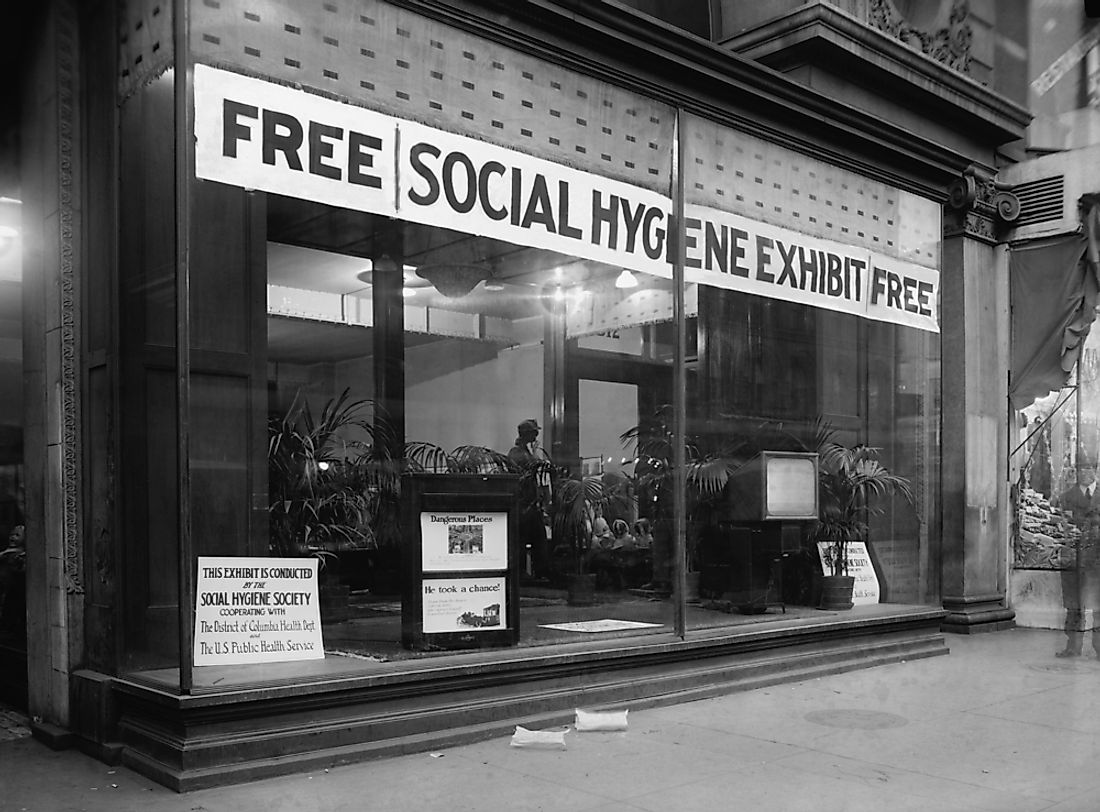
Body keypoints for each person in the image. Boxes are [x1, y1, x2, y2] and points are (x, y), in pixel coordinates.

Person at [1054, 469, 1100, 658]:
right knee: (1074, 605)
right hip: (1074, 559)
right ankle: (1073, 646)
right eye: (1081, 468)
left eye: (1089, 467)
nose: (1085, 472)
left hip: (1098, 560)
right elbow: (1059, 525)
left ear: (1096, 470)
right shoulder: (1066, 497)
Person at [507, 419, 554, 579]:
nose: (536, 435)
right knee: (523, 541)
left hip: (532, 505)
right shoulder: (517, 453)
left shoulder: (525, 451)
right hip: (523, 506)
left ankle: (541, 572)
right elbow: (531, 468)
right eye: (534, 432)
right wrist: (534, 453)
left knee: (539, 540)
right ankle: (523, 574)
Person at [0, 524, 26, 633]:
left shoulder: (22, 554)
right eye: (11, 535)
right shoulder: (7, 552)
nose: (13, 537)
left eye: (17, 535)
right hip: (7, 587)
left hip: (18, 588)